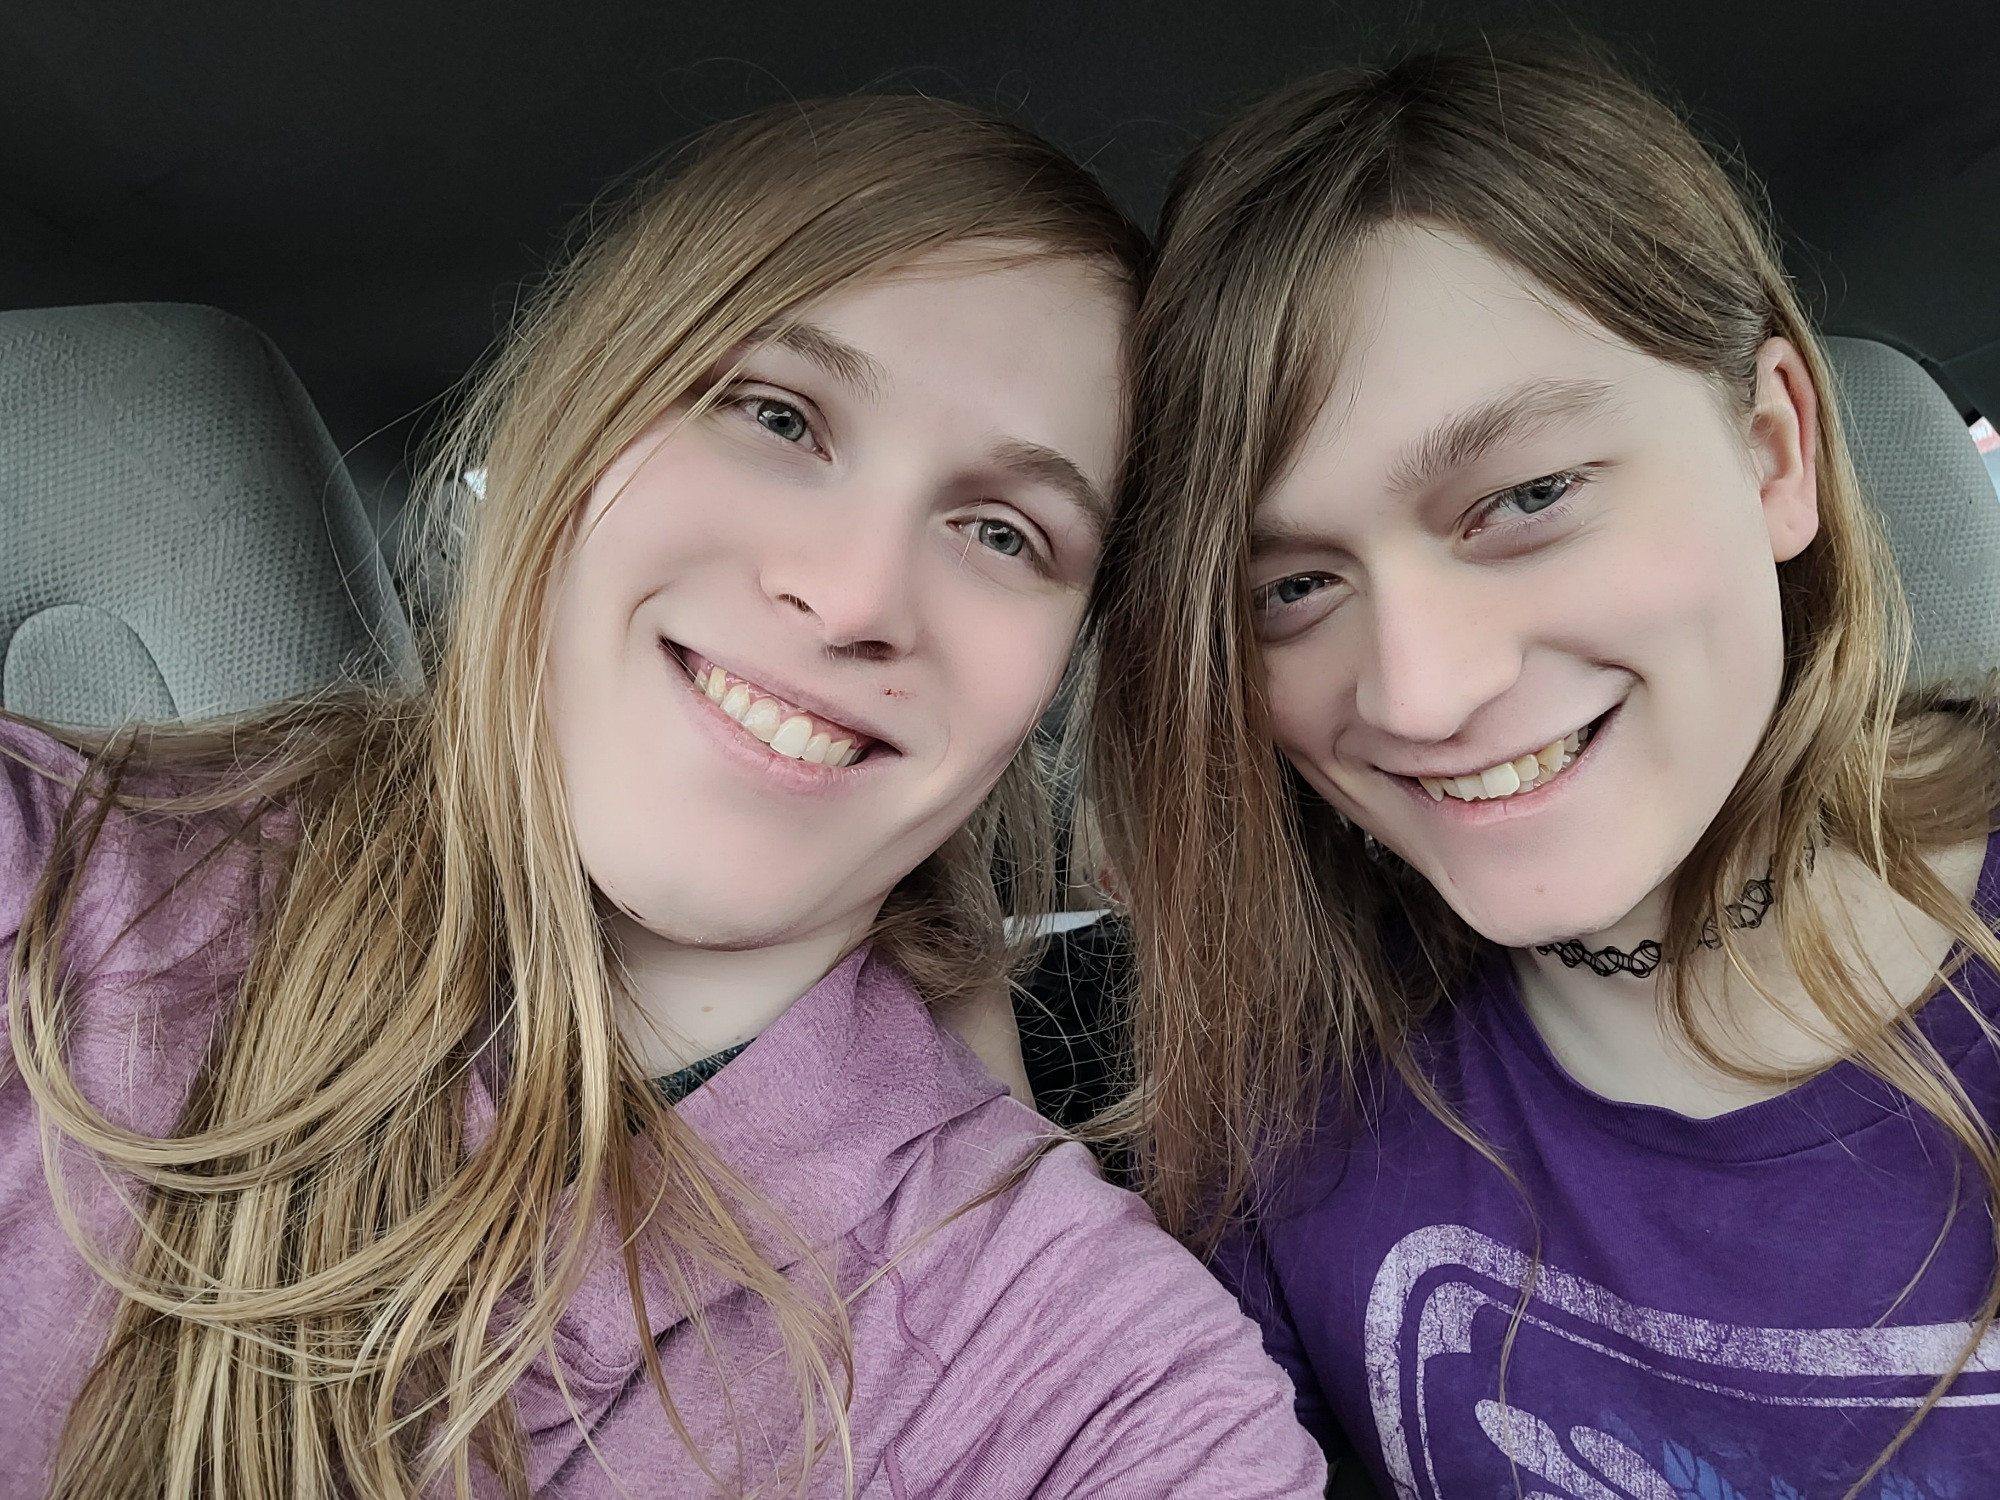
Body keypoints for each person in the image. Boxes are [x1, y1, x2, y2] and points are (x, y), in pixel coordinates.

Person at [0, 96, 1324, 1499]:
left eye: (1003, 533)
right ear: (581, 418)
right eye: (778, 416)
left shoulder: (1084, 1375)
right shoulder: (53, 882)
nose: (853, 597)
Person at [1089, 40, 2000, 1500]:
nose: (1421, 691)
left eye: (1526, 497)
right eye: (1293, 588)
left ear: (1774, 452)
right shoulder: (1280, 1091)